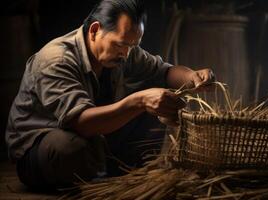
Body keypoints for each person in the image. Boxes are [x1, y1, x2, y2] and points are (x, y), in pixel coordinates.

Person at [5, 0, 214, 190]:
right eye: (121, 44)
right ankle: (93, 174)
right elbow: (81, 122)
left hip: (95, 139)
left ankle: (117, 172)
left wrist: (192, 76)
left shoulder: (125, 51)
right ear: (95, 31)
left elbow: (163, 71)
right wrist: (139, 100)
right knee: (71, 148)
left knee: (156, 98)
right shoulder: (56, 60)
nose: (126, 53)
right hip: (41, 148)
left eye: (133, 45)